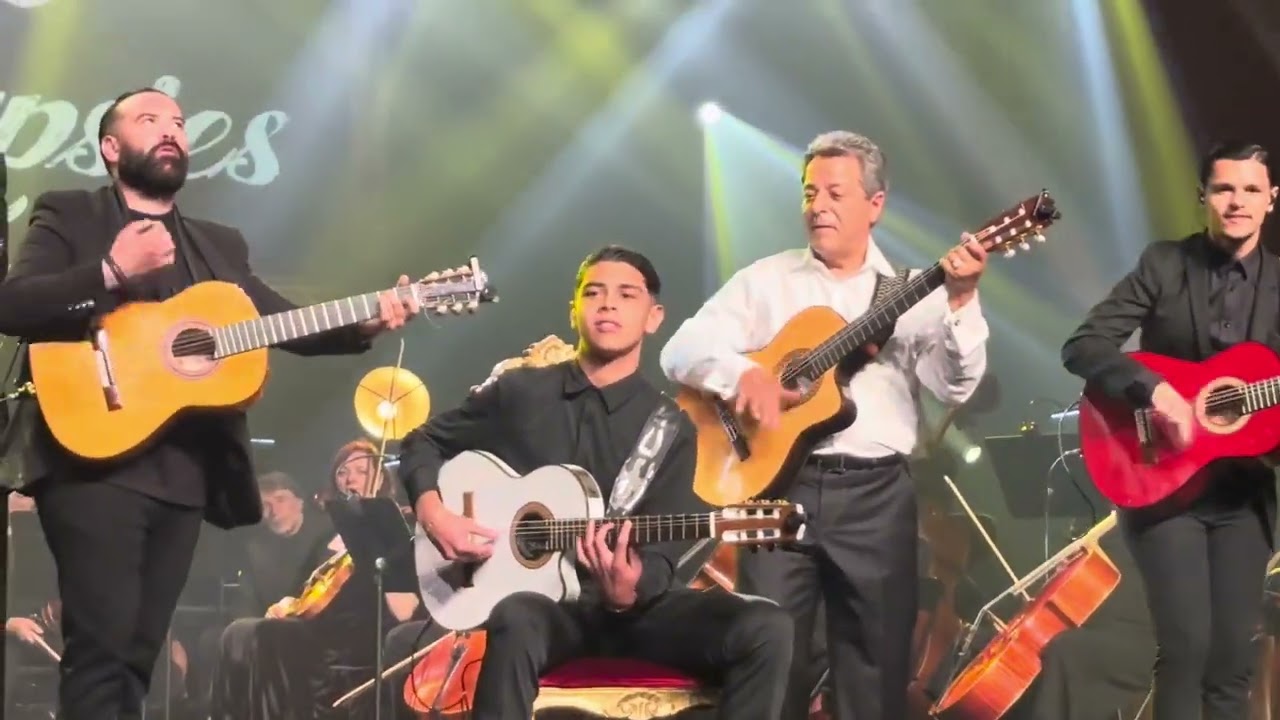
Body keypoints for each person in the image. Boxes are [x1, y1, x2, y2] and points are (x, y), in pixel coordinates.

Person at [0, 86, 420, 720]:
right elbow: (15, 305)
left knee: (139, 657)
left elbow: (282, 321)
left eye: (177, 122)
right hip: (92, 457)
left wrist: (367, 321)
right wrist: (111, 271)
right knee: (101, 648)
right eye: (149, 120)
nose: (170, 130)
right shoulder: (71, 214)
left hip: (183, 474)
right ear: (111, 147)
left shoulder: (217, 246)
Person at [660, 130, 991, 720]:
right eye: (810, 192)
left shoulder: (911, 293)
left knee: (874, 675)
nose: (818, 206)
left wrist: (962, 300)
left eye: (835, 193)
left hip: (876, 497)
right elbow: (680, 349)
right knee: (770, 665)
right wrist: (744, 375)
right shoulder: (767, 280)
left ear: (875, 204)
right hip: (776, 491)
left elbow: (954, 387)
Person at [398, 245, 794, 720]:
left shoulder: (670, 427)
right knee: (516, 615)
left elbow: (662, 557)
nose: (608, 305)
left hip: (638, 613)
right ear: (574, 310)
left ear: (653, 317)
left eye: (627, 295)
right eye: (594, 293)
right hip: (550, 614)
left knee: (767, 625)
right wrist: (435, 514)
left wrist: (629, 588)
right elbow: (422, 441)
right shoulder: (521, 392)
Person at [1061, 141, 1279, 719]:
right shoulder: (1163, 264)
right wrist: (1156, 392)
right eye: (1224, 188)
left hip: (1244, 496)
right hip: (1161, 482)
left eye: (1251, 190)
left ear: (1272, 200)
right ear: (1203, 196)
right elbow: (1083, 346)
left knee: (1232, 660)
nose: (1237, 201)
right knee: (1185, 649)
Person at [209, 443, 423, 719]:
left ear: (380, 477)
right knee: (241, 633)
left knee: (263, 636)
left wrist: (376, 545)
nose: (350, 479)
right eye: (342, 472)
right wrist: (288, 604)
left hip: (364, 634)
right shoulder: (328, 535)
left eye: (361, 471)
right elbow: (309, 588)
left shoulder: (401, 526)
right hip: (322, 629)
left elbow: (405, 610)